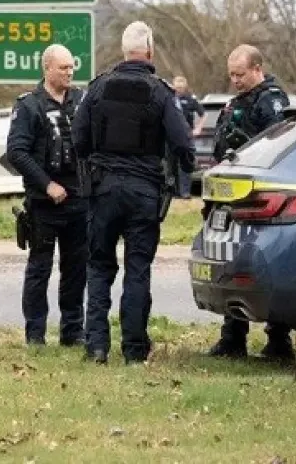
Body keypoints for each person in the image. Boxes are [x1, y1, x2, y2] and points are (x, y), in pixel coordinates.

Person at [71, 21, 195, 364]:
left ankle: (96, 346)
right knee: (137, 268)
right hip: (144, 192)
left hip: (103, 189)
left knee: (98, 267)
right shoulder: (160, 92)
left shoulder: (97, 89)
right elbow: (182, 142)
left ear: (123, 51)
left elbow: (78, 139)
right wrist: (186, 173)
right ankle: (135, 351)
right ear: (150, 51)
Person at [206, 44, 293, 360]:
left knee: (267, 266)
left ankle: (279, 341)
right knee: (233, 267)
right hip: (230, 196)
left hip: (260, 198)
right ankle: (233, 338)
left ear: (257, 69)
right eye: (231, 75)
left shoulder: (271, 102)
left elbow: (276, 149)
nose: (234, 81)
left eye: (240, 74)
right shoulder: (237, 102)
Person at [5, 44, 88, 347]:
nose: (70, 72)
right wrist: (46, 184)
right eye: (63, 68)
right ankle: (35, 333)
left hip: (79, 199)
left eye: (71, 67)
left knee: (76, 268)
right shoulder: (29, 106)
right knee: (40, 268)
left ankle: (72, 330)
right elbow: (16, 151)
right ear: (48, 69)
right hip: (44, 202)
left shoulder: (82, 101)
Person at [172, 76, 206, 198]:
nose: (179, 89)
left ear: (185, 87)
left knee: (186, 162)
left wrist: (198, 128)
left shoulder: (191, 100)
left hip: (187, 135)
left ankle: (185, 192)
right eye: (177, 87)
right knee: (172, 164)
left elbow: (202, 114)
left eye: (181, 87)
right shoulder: (169, 99)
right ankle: (175, 192)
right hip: (172, 135)